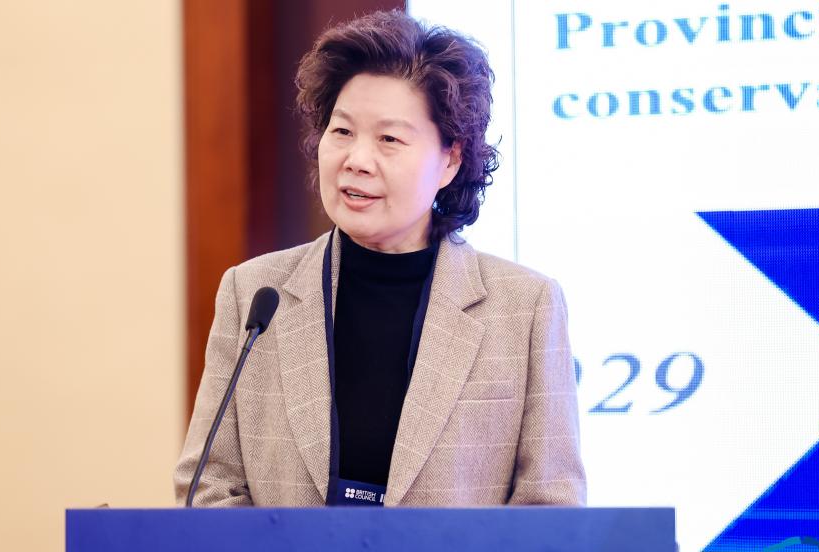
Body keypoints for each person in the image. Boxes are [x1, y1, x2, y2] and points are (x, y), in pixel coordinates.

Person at [174, 10, 585, 507]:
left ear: (451, 159)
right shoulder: (255, 293)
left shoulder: (524, 307)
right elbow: (208, 484)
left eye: (389, 139)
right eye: (342, 132)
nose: (357, 160)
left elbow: (550, 505)